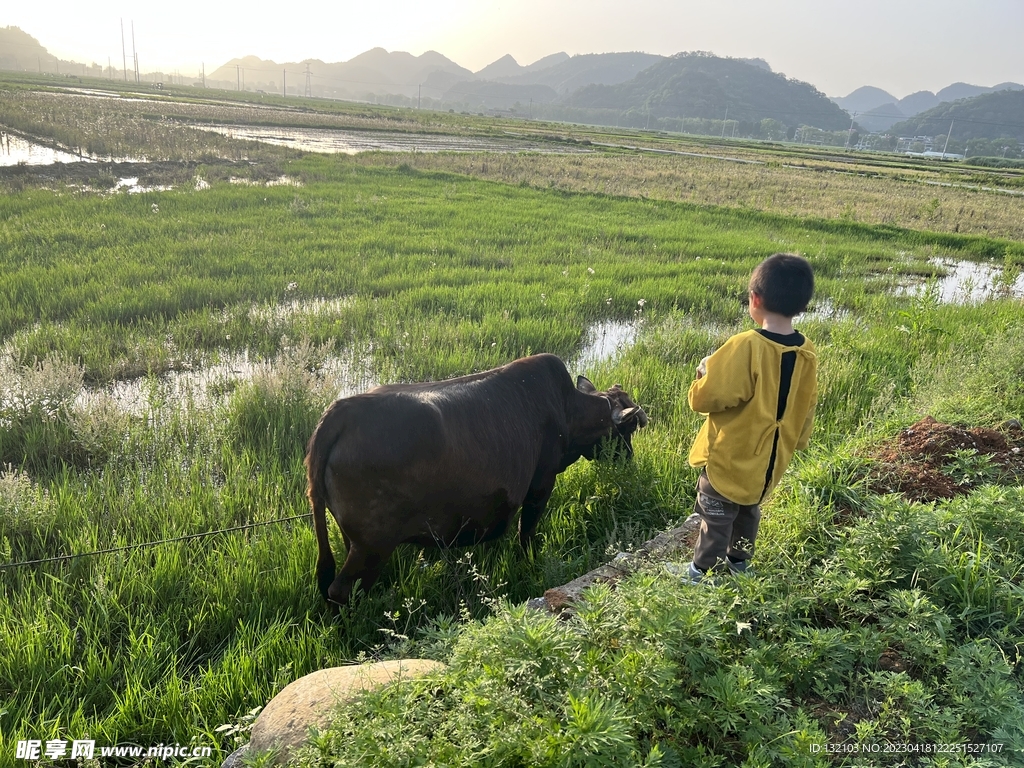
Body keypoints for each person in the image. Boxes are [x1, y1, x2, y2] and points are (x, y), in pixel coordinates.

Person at [684, 253, 818, 583]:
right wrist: (796, 442)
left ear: (754, 300)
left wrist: (704, 372)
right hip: (769, 461)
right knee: (748, 510)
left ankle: (700, 574)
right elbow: (807, 404)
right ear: (801, 305)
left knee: (715, 514)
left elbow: (708, 397)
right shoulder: (807, 350)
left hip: (731, 457)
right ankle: (740, 564)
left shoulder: (745, 345)